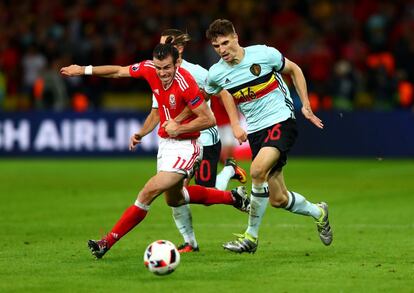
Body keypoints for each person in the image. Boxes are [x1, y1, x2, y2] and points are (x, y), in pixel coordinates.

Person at [60, 43, 250, 259]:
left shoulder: (186, 82)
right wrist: (83, 70)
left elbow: (208, 119)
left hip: (187, 147)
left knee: (149, 190)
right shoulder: (149, 69)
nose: (162, 73)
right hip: (166, 145)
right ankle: (233, 198)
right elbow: (118, 71)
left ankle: (107, 241)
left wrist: (180, 127)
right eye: (159, 68)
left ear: (177, 63)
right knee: (175, 199)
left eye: (167, 68)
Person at [204, 19, 333, 253]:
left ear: (235, 37)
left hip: (281, 120)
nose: (222, 50)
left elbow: (294, 69)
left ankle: (250, 238)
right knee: (278, 199)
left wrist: (305, 105)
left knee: (256, 170)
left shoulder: (263, 55)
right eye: (216, 46)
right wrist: (234, 123)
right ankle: (319, 211)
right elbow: (220, 93)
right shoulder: (216, 73)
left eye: (225, 43)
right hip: (255, 132)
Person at [157, 29, 247, 253]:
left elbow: (223, 91)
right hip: (179, 142)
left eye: (166, 44)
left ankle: (228, 171)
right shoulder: (160, 73)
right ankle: (189, 241)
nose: (159, 50)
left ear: (179, 48)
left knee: (208, 193)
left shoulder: (196, 72)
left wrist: (235, 124)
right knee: (175, 191)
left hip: (205, 138)